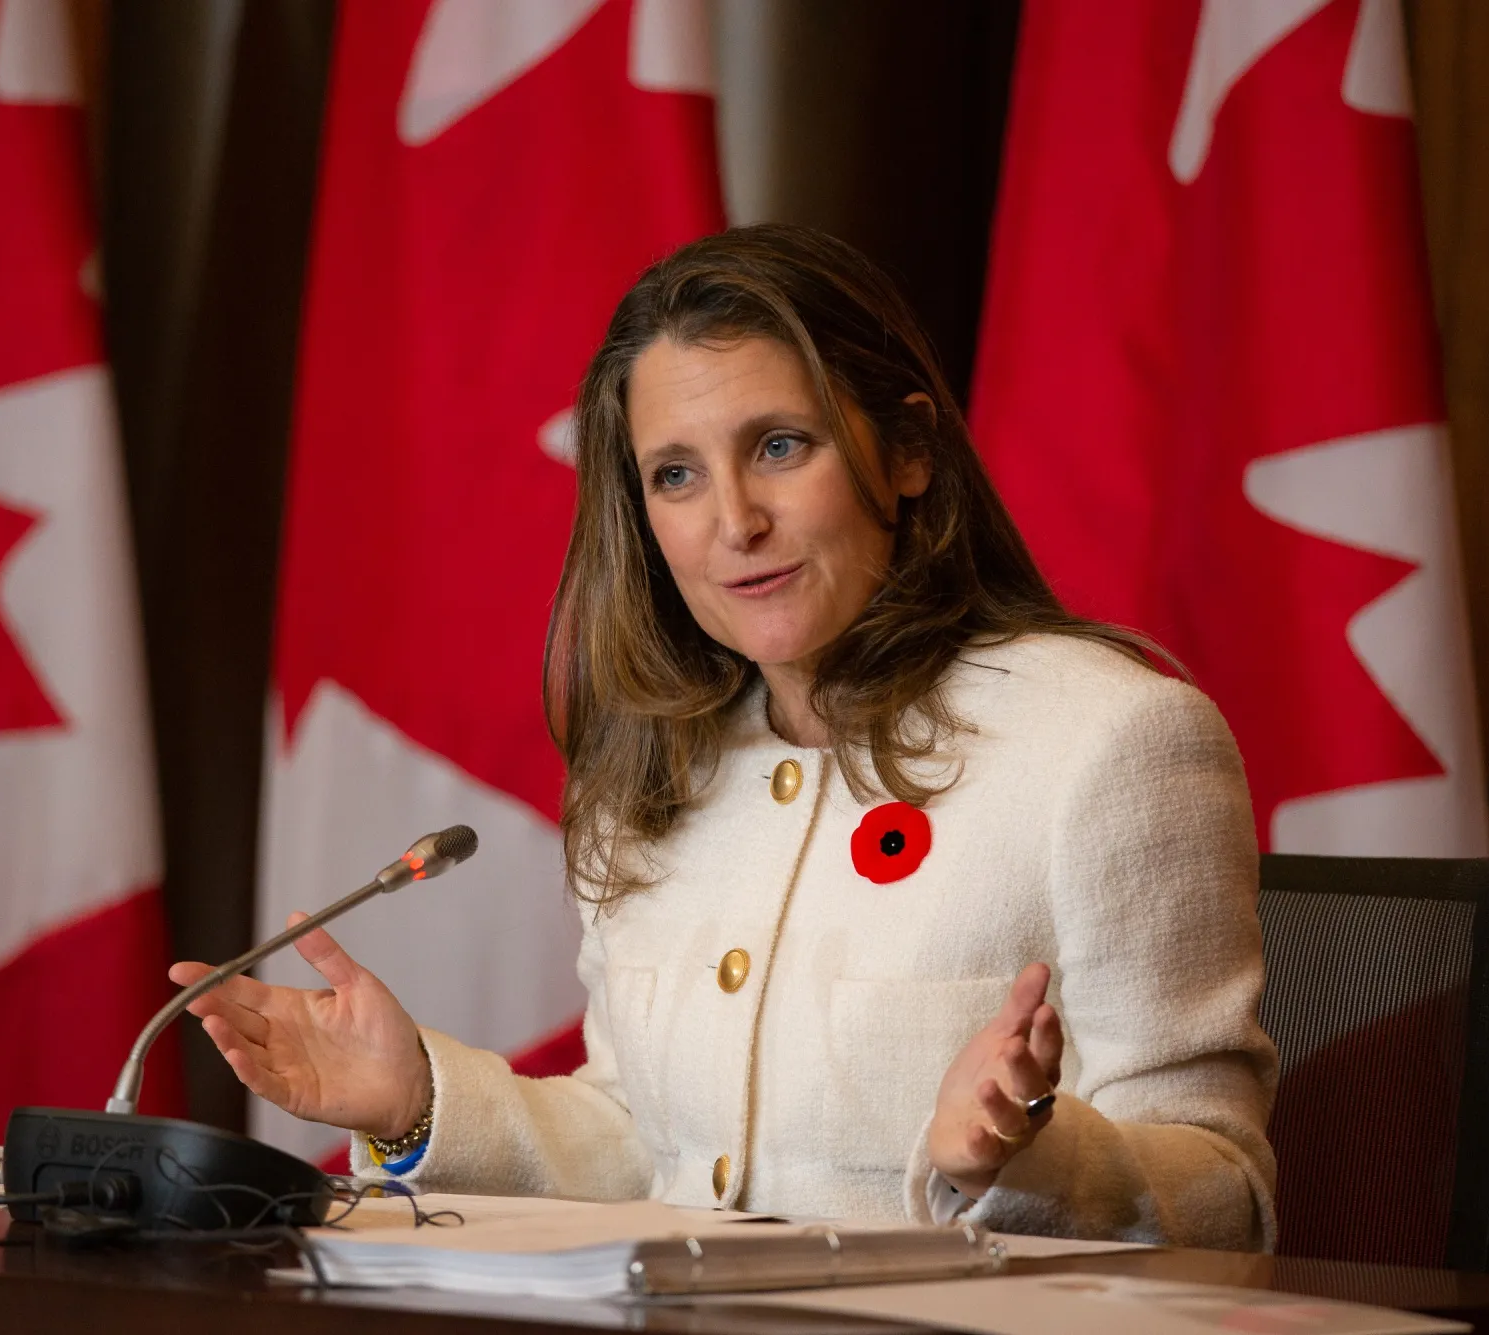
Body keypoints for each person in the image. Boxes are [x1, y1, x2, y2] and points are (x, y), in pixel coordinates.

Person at [171, 224, 1278, 1249]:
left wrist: (1027, 1153)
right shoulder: (652, 776)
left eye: (781, 446)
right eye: (676, 475)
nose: (733, 522)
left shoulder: (1111, 739)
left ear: (906, 452)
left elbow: (1225, 1195)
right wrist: (416, 1097)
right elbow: (648, 1149)